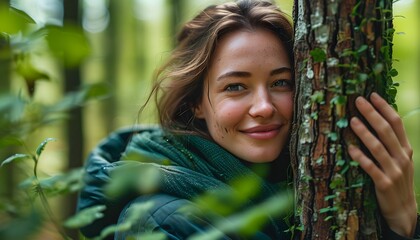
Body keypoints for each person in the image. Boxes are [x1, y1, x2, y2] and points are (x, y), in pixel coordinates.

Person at [77, 0, 420, 239]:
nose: (264, 107)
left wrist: (403, 221)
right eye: (236, 86)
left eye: (280, 82)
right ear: (197, 103)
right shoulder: (164, 221)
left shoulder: (295, 187)